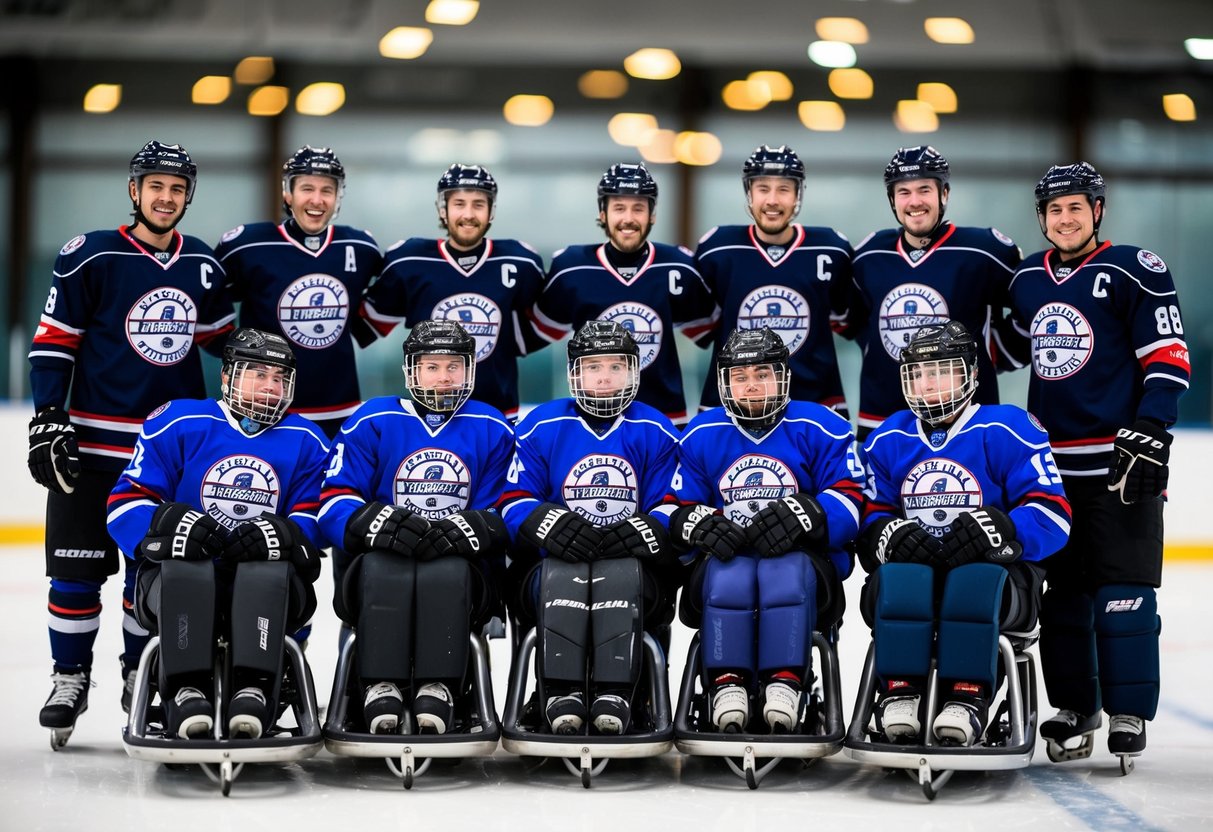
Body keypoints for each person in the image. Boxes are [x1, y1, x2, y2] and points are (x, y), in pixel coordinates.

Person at [28, 140, 235, 741]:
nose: (166, 198)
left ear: (188, 196)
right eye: (156, 186)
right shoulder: (90, 255)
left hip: (170, 459)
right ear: (134, 190)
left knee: (153, 579)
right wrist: (47, 416)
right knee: (75, 574)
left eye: (177, 189)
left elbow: (228, 346)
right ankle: (70, 675)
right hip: (93, 453)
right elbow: (54, 341)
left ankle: (134, 672)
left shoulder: (202, 265)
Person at [1004, 162, 1188, 759]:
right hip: (1051, 469)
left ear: (1097, 211)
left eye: (1075, 207)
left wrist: (1152, 427)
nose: (1064, 218)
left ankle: (1128, 713)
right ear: (1042, 218)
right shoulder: (1026, 279)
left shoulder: (1134, 269)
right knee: (1062, 599)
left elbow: (1168, 356)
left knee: (1123, 595)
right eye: (1054, 209)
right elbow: (999, 351)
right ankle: (1075, 709)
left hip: (1119, 463)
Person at [855, 321, 1070, 746]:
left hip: (1000, 580)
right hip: (918, 579)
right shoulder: (889, 436)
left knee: (972, 582)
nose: (928, 383)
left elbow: (1054, 515)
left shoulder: (1008, 427)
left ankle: (967, 697)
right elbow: (869, 515)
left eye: (941, 370)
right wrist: (886, 533)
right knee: (897, 580)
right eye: (919, 373)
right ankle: (901, 691)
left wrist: (1001, 527)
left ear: (970, 375)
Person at [106, 329, 327, 739]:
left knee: (264, 570)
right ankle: (185, 689)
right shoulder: (178, 422)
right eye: (257, 374)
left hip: (267, 585)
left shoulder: (308, 439)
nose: (270, 386)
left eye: (279, 377)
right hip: (179, 580)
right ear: (227, 378)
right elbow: (124, 505)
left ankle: (256, 688)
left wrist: (284, 535)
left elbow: (315, 519)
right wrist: (166, 527)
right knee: (190, 569)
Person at [654, 327, 864, 733]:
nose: (751, 386)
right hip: (724, 566)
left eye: (762, 374)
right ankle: (725, 681)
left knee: (781, 571)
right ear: (725, 382)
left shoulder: (822, 426)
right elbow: (672, 506)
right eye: (740, 376)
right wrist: (696, 524)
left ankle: (785, 681)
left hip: (805, 569)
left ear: (783, 376)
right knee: (731, 572)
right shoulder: (701, 433)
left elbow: (853, 500)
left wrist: (809, 515)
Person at [316, 320, 514, 735]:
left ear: (470, 370)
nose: (444, 378)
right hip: (381, 565)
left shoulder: (492, 425)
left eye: (454, 367)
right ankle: (375, 684)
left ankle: (443, 687)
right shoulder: (372, 419)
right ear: (412, 371)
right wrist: (373, 523)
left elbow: (502, 509)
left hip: (461, 573)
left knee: (448, 570)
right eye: (432, 367)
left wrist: (472, 528)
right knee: (385, 567)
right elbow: (334, 501)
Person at [498, 321, 680, 735]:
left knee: (618, 574)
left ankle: (623, 693)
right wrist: (547, 524)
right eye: (592, 366)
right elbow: (512, 498)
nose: (603, 376)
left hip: (634, 573)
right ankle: (557, 691)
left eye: (616, 367)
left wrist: (646, 530)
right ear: (574, 373)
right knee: (565, 573)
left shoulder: (656, 428)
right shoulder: (540, 425)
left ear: (634, 372)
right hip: (552, 568)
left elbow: (672, 503)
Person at [837, 145, 1021, 439]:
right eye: (904, 192)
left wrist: (991, 353)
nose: (915, 202)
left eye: (924, 189)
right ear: (892, 200)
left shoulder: (984, 251)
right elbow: (850, 318)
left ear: (944, 194)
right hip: (885, 422)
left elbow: (1034, 305)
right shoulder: (868, 256)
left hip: (966, 420)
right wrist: (875, 349)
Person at [527, 162, 717, 427]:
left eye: (638, 208)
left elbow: (710, 331)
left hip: (665, 419)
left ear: (652, 214)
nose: (628, 218)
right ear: (602, 213)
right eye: (619, 208)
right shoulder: (571, 267)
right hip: (590, 418)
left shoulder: (678, 266)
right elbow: (535, 335)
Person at [214, 146, 383, 437]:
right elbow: (209, 311)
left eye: (327, 190)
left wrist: (359, 332)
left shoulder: (361, 248)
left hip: (340, 410)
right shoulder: (246, 246)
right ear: (288, 193)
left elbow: (378, 308)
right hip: (263, 408)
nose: (317, 200)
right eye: (307, 188)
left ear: (337, 197)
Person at [358, 163, 545, 421]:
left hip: (498, 415)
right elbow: (366, 323)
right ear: (442, 209)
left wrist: (512, 344)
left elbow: (546, 324)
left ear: (491, 211)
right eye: (459, 203)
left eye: (478, 204)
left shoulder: (521, 263)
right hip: (428, 414)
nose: (468, 214)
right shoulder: (409, 262)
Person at [693, 144, 854, 416]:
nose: (772, 200)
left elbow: (846, 320)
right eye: (763, 189)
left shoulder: (832, 249)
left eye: (783, 189)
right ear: (749, 193)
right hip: (731, 407)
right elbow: (701, 325)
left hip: (814, 405)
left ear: (797, 195)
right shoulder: (717, 250)